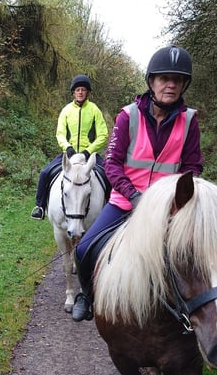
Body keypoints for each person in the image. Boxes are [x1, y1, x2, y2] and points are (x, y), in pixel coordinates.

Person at [71, 45, 204, 321]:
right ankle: (87, 295)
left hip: (168, 207)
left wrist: (176, 199)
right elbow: (112, 164)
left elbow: (193, 166)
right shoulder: (127, 116)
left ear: (183, 85)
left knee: (202, 250)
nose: (171, 85)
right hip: (124, 202)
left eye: (177, 80)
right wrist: (133, 196)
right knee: (84, 249)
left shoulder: (189, 121)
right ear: (151, 81)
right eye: (164, 78)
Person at [31, 74, 110, 220]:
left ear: (87, 92)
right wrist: (67, 147)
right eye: (77, 90)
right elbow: (60, 133)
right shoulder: (66, 110)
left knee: (108, 175)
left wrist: (89, 151)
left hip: (88, 155)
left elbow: (103, 135)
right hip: (68, 155)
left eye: (83, 90)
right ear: (73, 92)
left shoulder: (94, 110)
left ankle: (110, 209)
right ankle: (40, 206)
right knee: (45, 173)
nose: (80, 92)